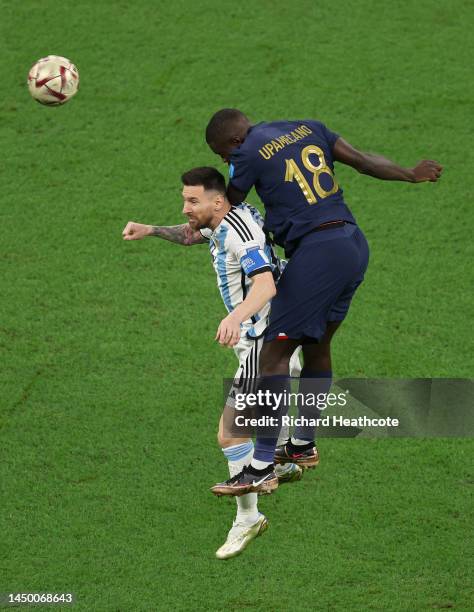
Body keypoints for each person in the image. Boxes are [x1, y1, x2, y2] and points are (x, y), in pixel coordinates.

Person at [205, 109, 443, 495]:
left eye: (224, 155)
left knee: (273, 356)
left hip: (317, 252)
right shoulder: (307, 128)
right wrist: (410, 174)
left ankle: (261, 466)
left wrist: (196, 219)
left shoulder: (246, 153)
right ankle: (301, 444)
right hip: (352, 244)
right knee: (318, 346)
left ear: (234, 142)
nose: (227, 162)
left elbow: (225, 209)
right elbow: (364, 161)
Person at [122, 166, 302, 559]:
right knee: (272, 406)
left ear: (216, 201)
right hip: (280, 332)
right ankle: (287, 455)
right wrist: (150, 229)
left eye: (192, 201)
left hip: (262, 342)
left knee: (230, 434)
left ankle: (248, 518)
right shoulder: (230, 216)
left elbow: (265, 282)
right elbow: (192, 233)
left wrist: (235, 317)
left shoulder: (239, 235)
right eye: (185, 199)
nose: (186, 207)